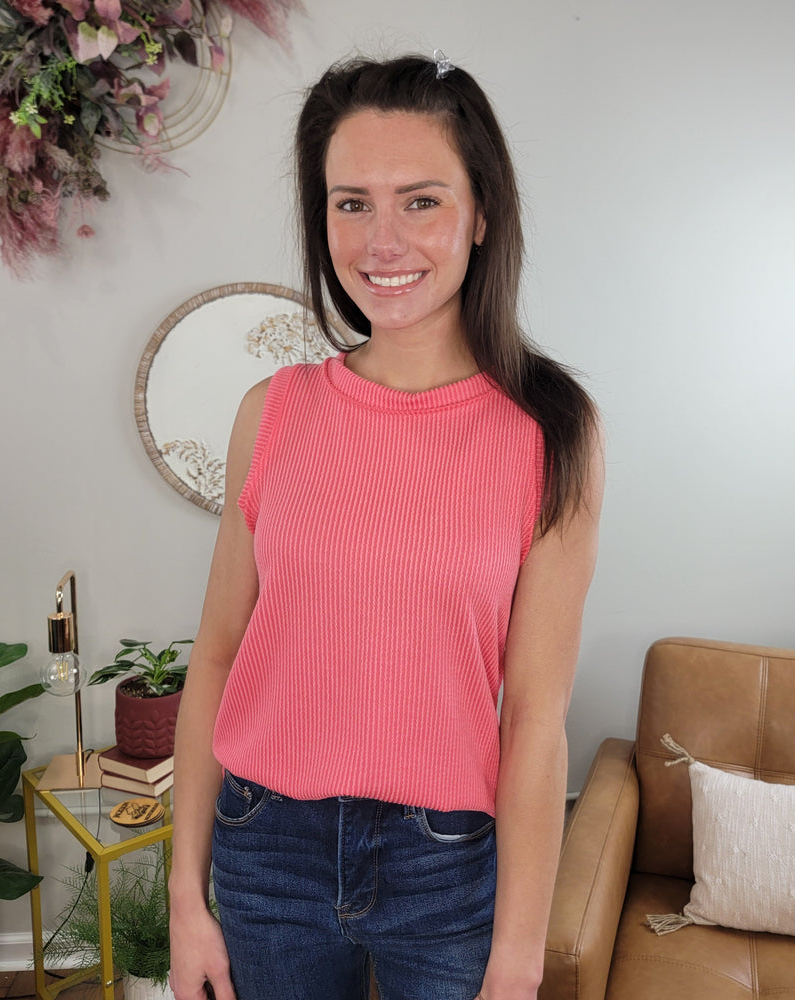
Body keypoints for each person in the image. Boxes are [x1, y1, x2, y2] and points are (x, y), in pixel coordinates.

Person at [169, 52, 604, 1000]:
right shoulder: (272, 410)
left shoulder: (552, 428)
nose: (382, 239)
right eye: (351, 202)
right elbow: (217, 653)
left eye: (421, 200)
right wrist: (183, 900)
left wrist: (518, 964)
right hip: (264, 849)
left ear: (482, 214)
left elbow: (535, 718)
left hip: (442, 866)